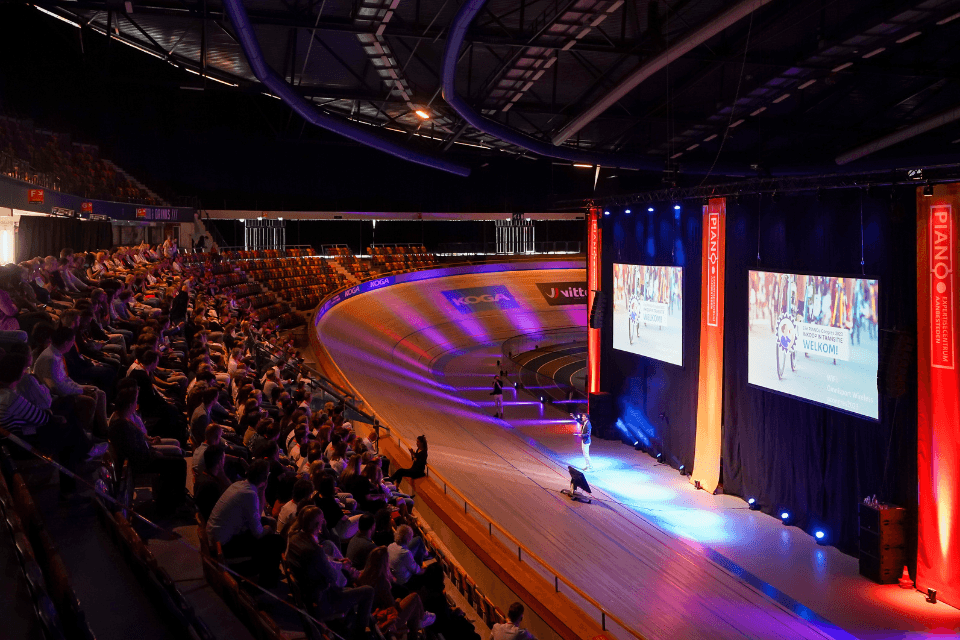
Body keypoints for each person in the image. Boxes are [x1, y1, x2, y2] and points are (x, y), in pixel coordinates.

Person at [284, 506, 375, 639]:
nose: (323, 523)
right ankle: (360, 634)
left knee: (329, 546)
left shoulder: (294, 537)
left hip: (308, 591)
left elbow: (320, 562)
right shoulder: (315, 551)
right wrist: (343, 568)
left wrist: (336, 562)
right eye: (322, 521)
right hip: (322, 600)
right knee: (368, 591)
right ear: (317, 525)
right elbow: (338, 581)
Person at [206, 460, 285, 586]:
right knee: (276, 542)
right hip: (224, 545)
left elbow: (257, 517)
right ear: (265, 478)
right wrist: (268, 530)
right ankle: (266, 581)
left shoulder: (239, 485)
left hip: (217, 536)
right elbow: (258, 533)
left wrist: (262, 490)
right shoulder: (249, 494)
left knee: (266, 525)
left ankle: (269, 572)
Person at [357, 546, 434, 634]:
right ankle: (422, 618)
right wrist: (398, 599)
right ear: (385, 562)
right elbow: (392, 606)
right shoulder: (382, 581)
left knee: (414, 608)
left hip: (372, 615)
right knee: (414, 597)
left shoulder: (362, 575)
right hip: (384, 619)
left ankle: (420, 620)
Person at [388, 524, 424, 591]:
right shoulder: (405, 553)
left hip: (395, 577)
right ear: (408, 538)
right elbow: (416, 570)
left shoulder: (390, 546)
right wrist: (424, 570)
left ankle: (425, 554)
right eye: (411, 536)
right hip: (404, 582)